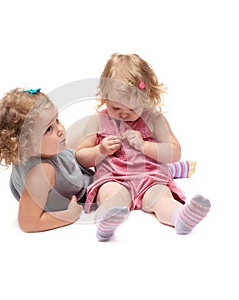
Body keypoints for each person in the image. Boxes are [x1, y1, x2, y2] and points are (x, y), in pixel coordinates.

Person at [76, 53, 211, 241]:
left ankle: (179, 217)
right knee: (110, 195)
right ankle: (106, 223)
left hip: (150, 178)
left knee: (161, 197)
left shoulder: (154, 119)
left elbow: (174, 152)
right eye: (116, 109)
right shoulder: (98, 121)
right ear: (105, 98)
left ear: (146, 97)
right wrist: (100, 150)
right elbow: (80, 156)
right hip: (114, 177)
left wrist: (144, 145)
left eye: (132, 109)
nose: (124, 114)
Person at [0, 88, 93, 233]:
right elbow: (28, 223)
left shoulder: (30, 152)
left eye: (57, 120)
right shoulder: (41, 173)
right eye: (48, 129)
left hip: (68, 161)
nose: (61, 129)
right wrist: (69, 216)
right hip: (84, 188)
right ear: (24, 143)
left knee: (89, 129)